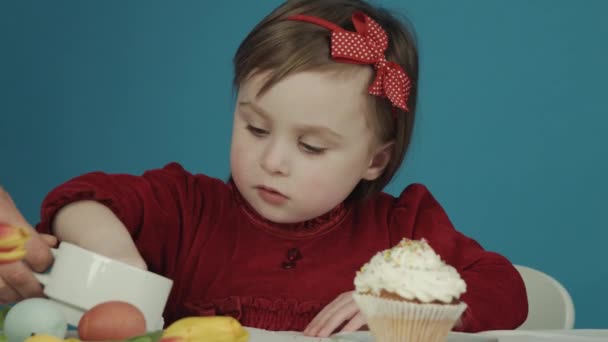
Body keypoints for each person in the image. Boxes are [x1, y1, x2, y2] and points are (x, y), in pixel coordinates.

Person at [0, 0, 528, 337]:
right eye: (255, 129)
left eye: (312, 147)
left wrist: (404, 305)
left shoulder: (402, 235)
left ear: (375, 160)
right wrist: (116, 254)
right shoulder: (187, 207)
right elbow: (82, 199)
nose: (272, 162)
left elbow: (506, 289)